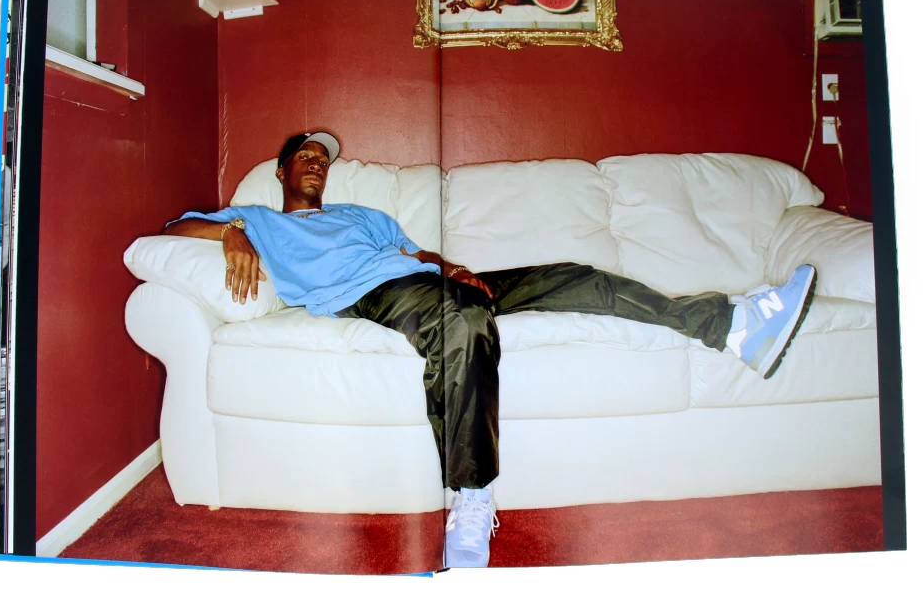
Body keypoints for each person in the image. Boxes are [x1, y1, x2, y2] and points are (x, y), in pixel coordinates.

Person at [164, 131, 818, 569]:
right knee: (466, 321)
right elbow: (174, 229)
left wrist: (450, 266)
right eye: (304, 155)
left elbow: (415, 252)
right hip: (371, 296)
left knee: (576, 275)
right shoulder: (258, 219)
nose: (316, 162)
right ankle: (472, 495)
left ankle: (733, 325)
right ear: (281, 172)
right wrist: (234, 233)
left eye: (322, 158)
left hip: (429, 281)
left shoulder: (364, 217)